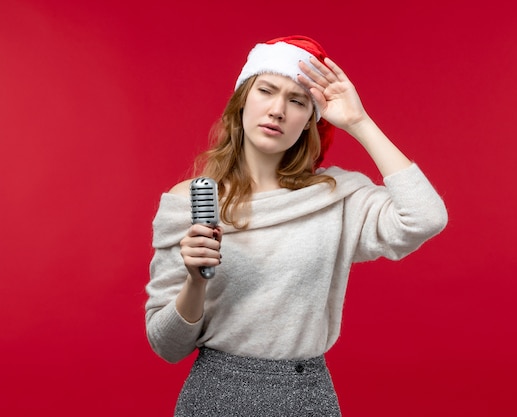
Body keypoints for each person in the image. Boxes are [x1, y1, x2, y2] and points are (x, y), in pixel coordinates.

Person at [145, 35, 448, 416]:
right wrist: (195, 280)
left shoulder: (335, 196)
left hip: (307, 396)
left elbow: (426, 217)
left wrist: (360, 121)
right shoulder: (189, 201)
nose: (277, 110)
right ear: (242, 100)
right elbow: (167, 345)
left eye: (297, 100)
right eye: (266, 90)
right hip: (216, 395)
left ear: (309, 121)